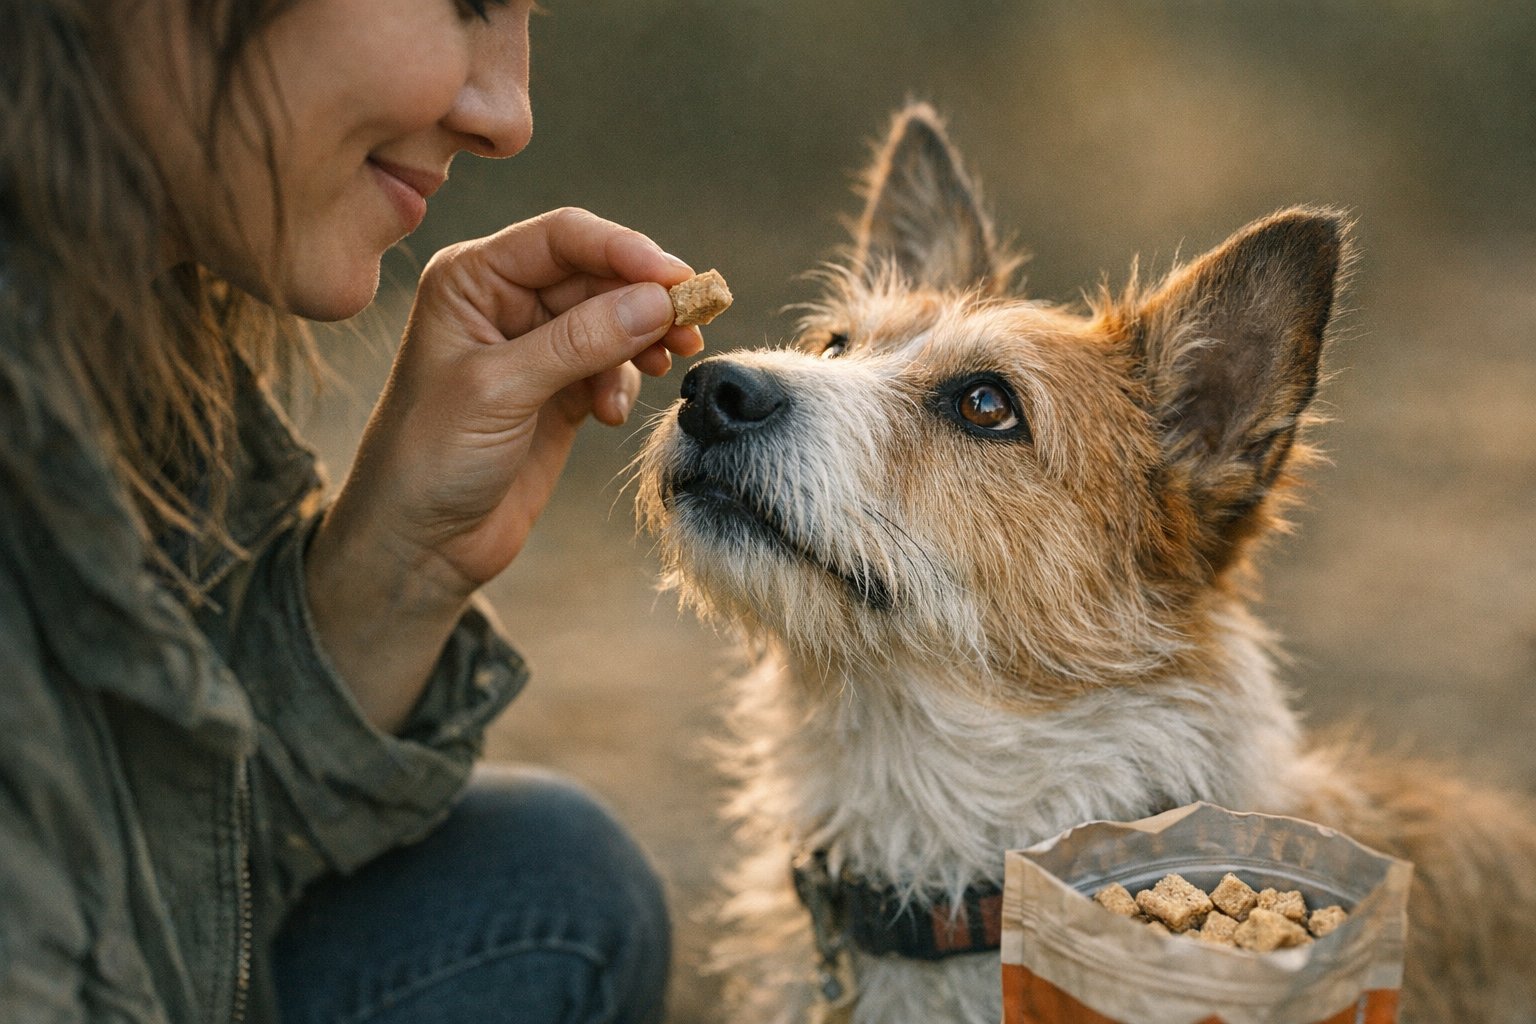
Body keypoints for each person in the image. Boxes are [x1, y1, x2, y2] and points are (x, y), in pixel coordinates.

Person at [1, 0, 700, 1020]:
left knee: (549, 890)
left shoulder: (106, 329)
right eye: (466, 4)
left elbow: (156, 871)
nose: (508, 113)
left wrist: (399, 564)